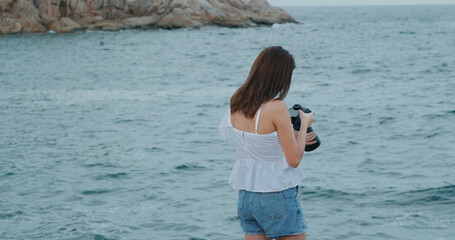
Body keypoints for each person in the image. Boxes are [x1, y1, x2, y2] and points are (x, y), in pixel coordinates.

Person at [218, 46, 316, 240]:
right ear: (279, 76)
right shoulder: (277, 107)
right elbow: (294, 160)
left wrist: (296, 136)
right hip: (276, 195)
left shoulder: (237, 101)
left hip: (246, 197)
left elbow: (261, 141)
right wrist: (304, 123)